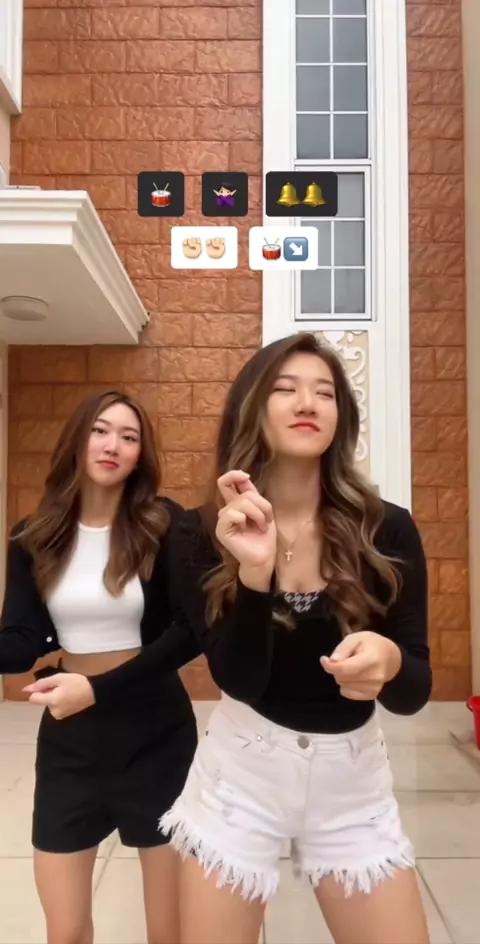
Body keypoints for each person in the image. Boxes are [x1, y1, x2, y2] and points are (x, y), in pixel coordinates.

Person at [27, 335, 432, 944]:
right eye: (285, 389)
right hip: (242, 777)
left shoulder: (387, 528)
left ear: (341, 417)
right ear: (252, 408)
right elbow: (240, 679)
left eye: (325, 392)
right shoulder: (200, 533)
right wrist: (255, 576)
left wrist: (392, 659)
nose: (308, 402)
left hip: (353, 783)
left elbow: (413, 692)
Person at [0, 390, 200, 944]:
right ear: (77, 440)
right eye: (101, 431)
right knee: (65, 931)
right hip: (71, 741)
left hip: (156, 732)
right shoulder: (32, 536)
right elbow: (20, 641)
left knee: (169, 931)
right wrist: (82, 694)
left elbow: (189, 634)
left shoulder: (164, 525)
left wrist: (97, 690)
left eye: (129, 437)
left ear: (140, 455)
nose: (113, 445)